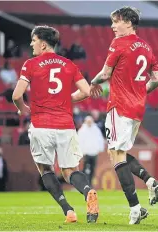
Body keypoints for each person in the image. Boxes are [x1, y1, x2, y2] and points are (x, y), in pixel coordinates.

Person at [12, 25, 99, 223]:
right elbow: (86, 91)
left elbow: (17, 95)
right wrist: (66, 99)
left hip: (41, 125)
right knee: (70, 171)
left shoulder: (31, 64)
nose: (31, 44)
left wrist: (23, 108)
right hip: (66, 126)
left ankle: (68, 210)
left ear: (43, 44)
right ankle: (88, 192)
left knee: (46, 170)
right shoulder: (69, 64)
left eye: (33, 41)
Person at [89, 6, 158, 224]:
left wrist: (92, 83)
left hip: (119, 107)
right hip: (137, 109)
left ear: (129, 22)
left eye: (116, 21)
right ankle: (150, 182)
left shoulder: (119, 43)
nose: (113, 26)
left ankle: (135, 208)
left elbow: (105, 73)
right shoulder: (147, 48)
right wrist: (139, 92)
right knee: (116, 154)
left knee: (117, 156)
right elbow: (157, 80)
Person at [78, 116, 105, 187]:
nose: (89, 123)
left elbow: (100, 140)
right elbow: (79, 141)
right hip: (86, 153)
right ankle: (85, 184)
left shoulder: (96, 130)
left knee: (92, 169)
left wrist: (100, 149)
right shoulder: (82, 131)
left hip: (94, 153)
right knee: (86, 169)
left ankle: (90, 184)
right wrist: (81, 151)